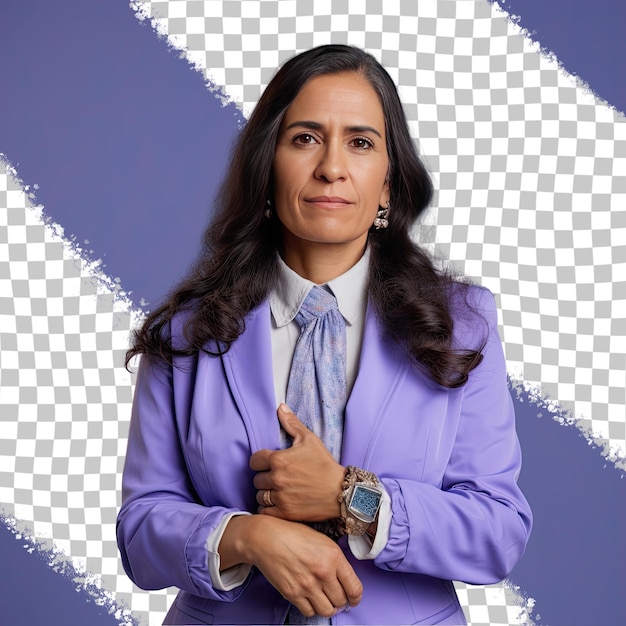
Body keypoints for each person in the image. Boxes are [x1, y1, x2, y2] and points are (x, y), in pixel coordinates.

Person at [116, 44, 532, 625]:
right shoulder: (188, 334)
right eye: (305, 138)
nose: (331, 166)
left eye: (360, 143)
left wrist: (349, 497)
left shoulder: (461, 324)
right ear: (268, 166)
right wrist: (247, 537)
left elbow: (498, 532)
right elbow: (140, 530)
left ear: (388, 183)